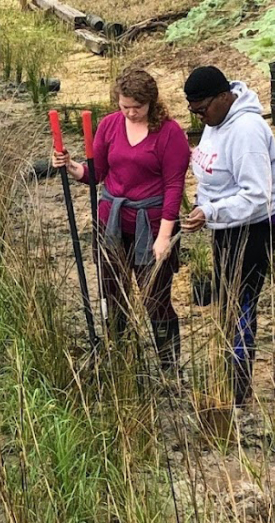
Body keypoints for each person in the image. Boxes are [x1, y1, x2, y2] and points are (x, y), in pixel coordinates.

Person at [52, 70, 189, 369]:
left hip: (151, 227)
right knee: (113, 293)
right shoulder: (111, 125)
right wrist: (71, 166)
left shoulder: (169, 133)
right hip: (112, 224)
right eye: (124, 106)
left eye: (136, 108)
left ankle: (169, 365)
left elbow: (174, 188)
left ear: (150, 103)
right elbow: (95, 173)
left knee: (155, 297)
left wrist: (164, 237)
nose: (129, 112)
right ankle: (122, 359)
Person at [181, 66, 275, 406]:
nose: (200, 118)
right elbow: (214, 173)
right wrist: (203, 204)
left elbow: (257, 195)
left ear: (224, 96)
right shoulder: (216, 122)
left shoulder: (245, 131)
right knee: (226, 293)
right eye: (193, 112)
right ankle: (229, 368)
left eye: (203, 110)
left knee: (240, 297)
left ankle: (238, 387)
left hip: (259, 221)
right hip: (228, 222)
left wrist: (212, 211)